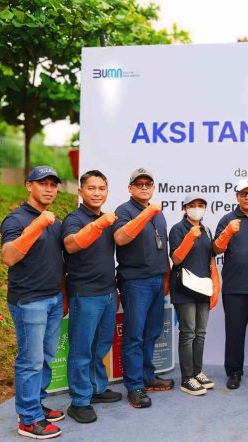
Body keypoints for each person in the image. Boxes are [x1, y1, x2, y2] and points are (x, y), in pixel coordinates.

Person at [0, 165, 65, 439]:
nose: (49, 189)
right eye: (43, 183)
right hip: (29, 302)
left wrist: (64, 296)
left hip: (53, 300)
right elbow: (9, 257)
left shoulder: (56, 222)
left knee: (47, 357)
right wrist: (38, 223)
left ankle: (35, 404)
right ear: (29, 185)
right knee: (30, 361)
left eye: (53, 184)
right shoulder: (15, 220)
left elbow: (59, 263)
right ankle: (28, 419)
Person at [62, 170, 122, 423]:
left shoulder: (107, 221)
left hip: (108, 292)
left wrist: (115, 289)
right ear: (80, 191)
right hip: (84, 295)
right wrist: (99, 224)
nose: (97, 193)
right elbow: (72, 245)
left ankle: (96, 389)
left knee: (100, 346)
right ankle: (79, 401)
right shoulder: (74, 219)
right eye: (91, 188)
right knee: (81, 349)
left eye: (101, 189)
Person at [113, 168, 173, 408]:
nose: (144, 187)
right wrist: (148, 212)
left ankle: (148, 376)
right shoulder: (124, 211)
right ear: (130, 188)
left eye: (149, 183)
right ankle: (134, 385)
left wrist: (167, 276)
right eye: (139, 184)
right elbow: (121, 238)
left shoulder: (158, 214)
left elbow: (163, 248)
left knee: (152, 332)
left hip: (158, 280)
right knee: (135, 335)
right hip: (135, 282)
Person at [213, 179, 248, 389]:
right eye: (243, 193)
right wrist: (228, 231)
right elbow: (216, 249)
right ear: (237, 196)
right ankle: (234, 372)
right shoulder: (227, 219)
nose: (247, 197)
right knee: (235, 332)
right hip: (234, 288)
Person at [169, 194, 220, 396]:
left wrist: (216, 285)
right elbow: (176, 258)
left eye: (201, 205)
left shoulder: (207, 230)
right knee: (188, 332)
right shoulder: (177, 229)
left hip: (203, 287)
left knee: (200, 332)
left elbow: (211, 260)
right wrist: (190, 237)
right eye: (192, 205)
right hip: (184, 287)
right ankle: (186, 378)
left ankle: (197, 372)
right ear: (184, 208)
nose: (197, 208)